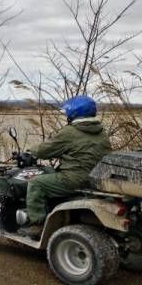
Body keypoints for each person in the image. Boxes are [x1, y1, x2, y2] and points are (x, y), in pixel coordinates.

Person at [19, 95, 111, 238]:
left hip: (75, 179)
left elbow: (45, 150)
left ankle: (37, 224)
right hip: (97, 178)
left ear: (73, 113)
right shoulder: (101, 132)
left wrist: (29, 153)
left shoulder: (70, 132)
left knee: (36, 184)